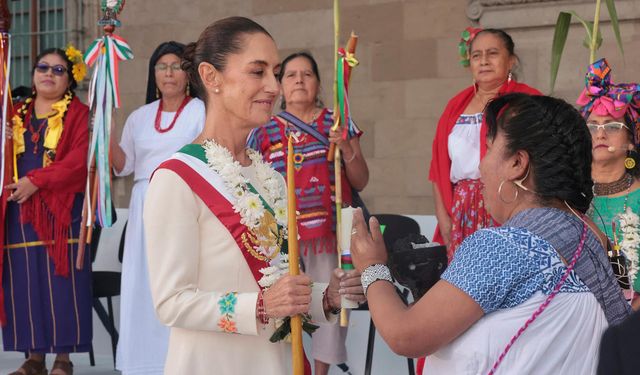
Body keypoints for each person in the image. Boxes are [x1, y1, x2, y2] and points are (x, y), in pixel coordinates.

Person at [143, 17, 364, 375]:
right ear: (211, 77)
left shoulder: (270, 178)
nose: (274, 87)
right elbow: (171, 303)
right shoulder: (176, 178)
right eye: (257, 72)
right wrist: (259, 308)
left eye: (275, 73)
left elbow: (275, 283)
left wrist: (325, 296)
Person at [352, 93, 630, 374]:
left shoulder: (502, 247)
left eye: (488, 149)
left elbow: (405, 335)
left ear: (517, 164)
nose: (480, 166)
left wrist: (372, 267)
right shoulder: (592, 236)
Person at [248, 51, 369, 375]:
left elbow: (361, 179)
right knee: (288, 306)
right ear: (280, 85)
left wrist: (344, 147)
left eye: (307, 74)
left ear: (318, 83)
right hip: (282, 238)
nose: (299, 80)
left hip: (326, 236)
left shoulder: (337, 122)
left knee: (330, 302)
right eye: (291, 74)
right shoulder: (264, 130)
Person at [110, 41, 205, 375]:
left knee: (177, 277)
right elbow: (123, 166)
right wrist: (105, 128)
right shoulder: (139, 117)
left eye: (177, 65)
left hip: (183, 199)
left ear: (189, 73)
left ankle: (179, 361)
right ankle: (142, 363)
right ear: (153, 74)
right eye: (161, 66)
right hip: (144, 202)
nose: (168, 72)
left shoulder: (200, 110)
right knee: (143, 281)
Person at [1, 47, 91, 375]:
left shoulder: (78, 113)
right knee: (24, 283)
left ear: (69, 80)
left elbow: (80, 161)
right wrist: (4, 139)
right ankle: (34, 357)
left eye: (58, 70)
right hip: (19, 210)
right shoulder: (14, 113)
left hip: (61, 211)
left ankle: (63, 359)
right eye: (43, 67)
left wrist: (36, 181)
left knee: (63, 284)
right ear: (33, 74)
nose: (48, 74)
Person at [429, 27, 541, 260]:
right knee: (464, 287)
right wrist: (443, 217)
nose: (484, 61)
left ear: (511, 61)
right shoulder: (455, 105)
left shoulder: (528, 100)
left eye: (492, 53)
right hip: (461, 210)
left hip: (508, 203)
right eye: (477, 55)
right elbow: (438, 167)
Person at [578, 58, 640, 309]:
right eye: (592, 126)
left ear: (631, 141)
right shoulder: (569, 197)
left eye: (612, 126)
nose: (600, 134)